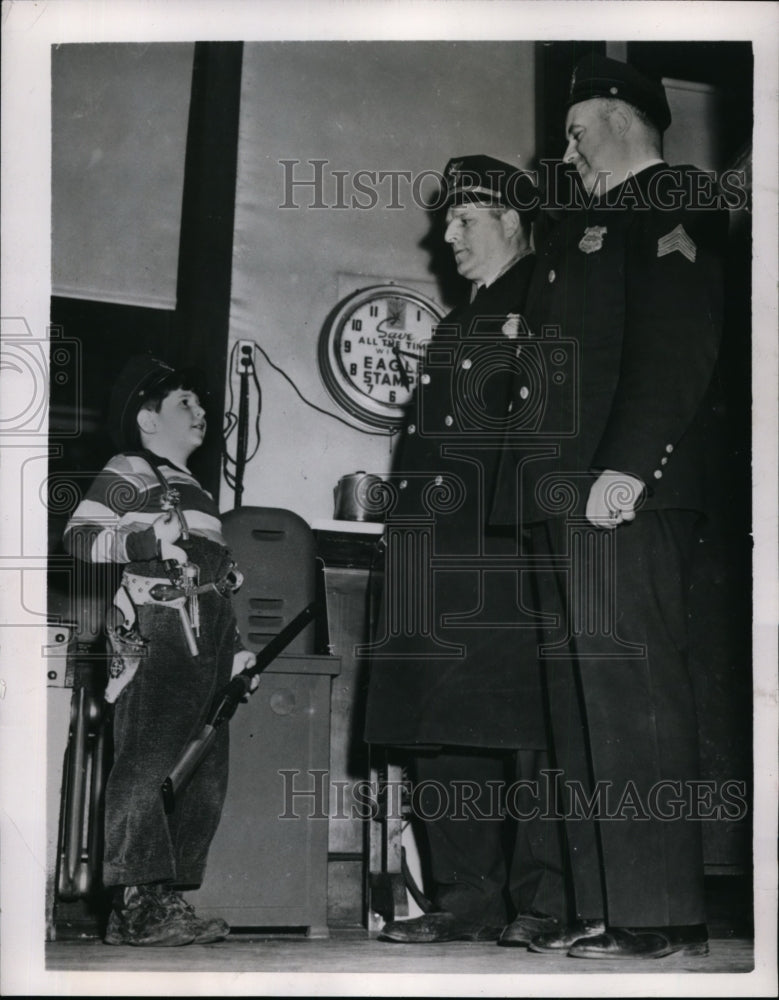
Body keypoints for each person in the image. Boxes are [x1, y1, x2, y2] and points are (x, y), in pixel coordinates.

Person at [490, 55, 730, 959]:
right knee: (578, 703)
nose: (566, 146)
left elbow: (676, 346)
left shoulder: (674, 199)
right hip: (564, 496)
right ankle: (599, 901)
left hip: (622, 491)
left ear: (623, 116)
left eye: (576, 129)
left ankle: (660, 911)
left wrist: (629, 467)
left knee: (634, 699)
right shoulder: (581, 224)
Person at [364, 155, 567, 945]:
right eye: (446, 220)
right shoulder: (463, 319)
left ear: (514, 220)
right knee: (441, 730)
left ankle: (543, 900)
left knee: (523, 728)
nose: (446, 236)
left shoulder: (543, 300)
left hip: (498, 546)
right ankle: (466, 897)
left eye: (464, 219)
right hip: (433, 549)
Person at [64, 355, 256, 946]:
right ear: (148, 420)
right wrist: (148, 536)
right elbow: (78, 538)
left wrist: (239, 648)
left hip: (209, 631)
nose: (202, 411)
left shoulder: (197, 487)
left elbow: (213, 576)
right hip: (157, 628)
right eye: (185, 404)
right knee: (149, 758)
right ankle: (134, 899)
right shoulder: (130, 466)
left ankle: (161, 900)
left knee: (200, 766)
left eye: (200, 402)